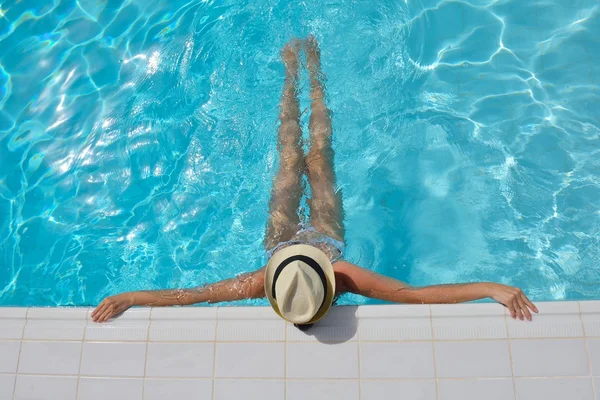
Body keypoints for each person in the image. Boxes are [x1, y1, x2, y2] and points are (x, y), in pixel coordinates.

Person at [92, 37, 538, 326]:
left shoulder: (266, 276)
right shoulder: (340, 274)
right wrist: (487, 287)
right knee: (315, 155)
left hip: (280, 238)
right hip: (325, 234)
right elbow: (414, 295)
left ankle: (294, 73)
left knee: (293, 157)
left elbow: (193, 295)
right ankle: (309, 72)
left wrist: (133, 295)